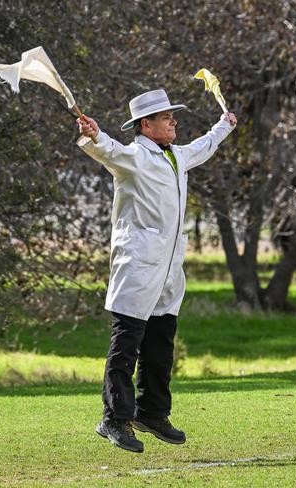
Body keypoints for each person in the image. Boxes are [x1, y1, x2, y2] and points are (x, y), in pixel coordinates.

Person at [77, 88, 237, 453]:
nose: (174, 121)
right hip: (136, 265)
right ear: (146, 125)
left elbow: (204, 146)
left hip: (168, 270)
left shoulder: (177, 156)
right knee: (126, 345)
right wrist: (94, 135)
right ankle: (115, 419)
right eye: (166, 118)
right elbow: (109, 151)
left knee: (161, 344)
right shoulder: (134, 157)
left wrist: (224, 126)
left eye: (172, 116)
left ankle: (152, 413)